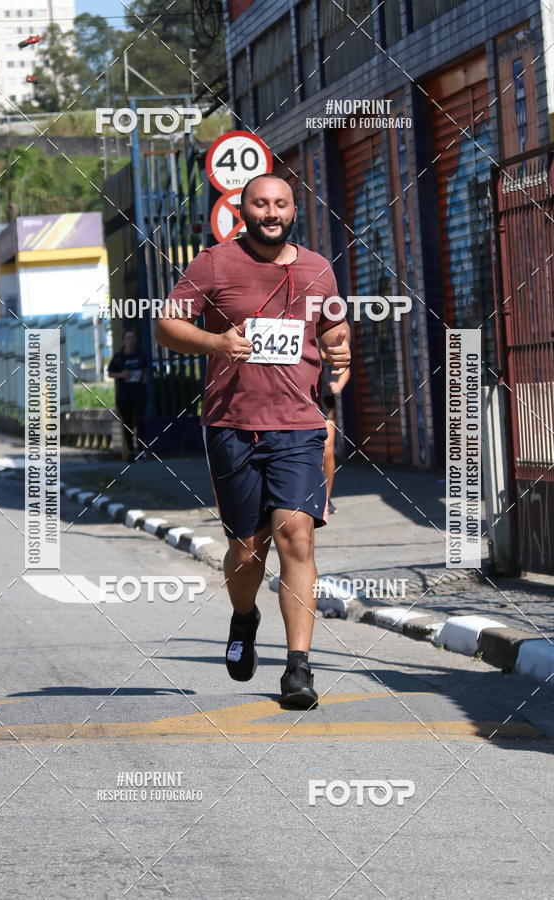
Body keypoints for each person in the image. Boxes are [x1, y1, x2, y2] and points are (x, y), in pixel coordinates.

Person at [157, 173, 351, 709]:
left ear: (293, 210)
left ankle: (298, 668)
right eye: (261, 203)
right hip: (232, 425)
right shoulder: (213, 264)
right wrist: (216, 341)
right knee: (247, 550)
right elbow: (166, 325)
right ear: (243, 209)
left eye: (281, 204)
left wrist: (340, 348)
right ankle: (244, 618)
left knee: (297, 537)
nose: (272, 211)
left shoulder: (317, 269)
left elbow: (334, 327)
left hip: (300, 425)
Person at [107, 330, 148, 461]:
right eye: (128, 338)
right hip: (124, 395)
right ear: (124, 341)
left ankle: (141, 450)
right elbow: (110, 373)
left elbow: (145, 369)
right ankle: (130, 451)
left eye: (132, 338)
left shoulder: (140, 354)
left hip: (139, 394)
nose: (130, 340)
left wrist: (144, 377)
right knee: (127, 424)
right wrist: (121, 375)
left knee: (140, 422)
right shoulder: (119, 357)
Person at [318, 350, 350, 513]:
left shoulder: (326, 340)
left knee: (327, 452)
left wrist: (339, 385)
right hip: (303, 399)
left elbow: (344, 367)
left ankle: (326, 499)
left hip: (325, 402)